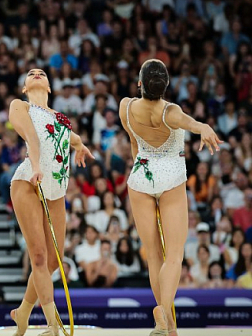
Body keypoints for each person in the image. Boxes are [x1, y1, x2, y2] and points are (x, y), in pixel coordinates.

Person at [118, 59, 223, 336]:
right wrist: (204, 128)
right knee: (174, 255)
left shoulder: (125, 106)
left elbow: (132, 142)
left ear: (140, 83)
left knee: (154, 254)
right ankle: (164, 312)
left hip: (140, 176)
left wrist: (141, 165)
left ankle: (168, 325)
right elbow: (191, 123)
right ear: (165, 86)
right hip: (171, 177)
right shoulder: (170, 111)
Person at [8, 68, 93, 336]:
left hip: (56, 190)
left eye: (41, 73)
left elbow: (72, 137)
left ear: (49, 87)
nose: (36, 74)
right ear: (24, 87)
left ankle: (22, 312)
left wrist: (79, 146)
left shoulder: (60, 119)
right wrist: (35, 166)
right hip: (28, 182)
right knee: (39, 256)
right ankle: (52, 326)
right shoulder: (20, 106)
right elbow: (32, 138)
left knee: (54, 261)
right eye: (31, 73)